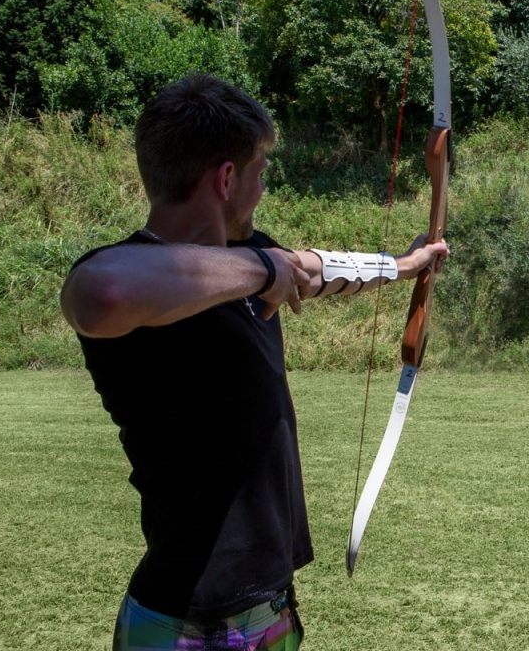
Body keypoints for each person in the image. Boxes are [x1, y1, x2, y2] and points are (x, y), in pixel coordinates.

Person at [60, 74, 448, 650]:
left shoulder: (251, 256)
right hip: (184, 625)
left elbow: (312, 270)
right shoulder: (127, 269)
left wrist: (407, 265)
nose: (262, 187)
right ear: (226, 178)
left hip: (269, 612)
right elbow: (100, 295)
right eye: (260, 172)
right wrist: (265, 270)